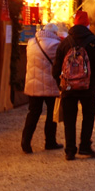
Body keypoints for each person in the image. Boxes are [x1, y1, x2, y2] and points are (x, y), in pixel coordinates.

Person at [51, 11, 95, 160]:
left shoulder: (65, 42)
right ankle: (85, 146)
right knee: (88, 115)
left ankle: (70, 150)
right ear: (87, 24)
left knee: (69, 118)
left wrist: (60, 83)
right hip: (87, 87)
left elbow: (56, 67)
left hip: (68, 87)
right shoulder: (93, 41)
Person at [21, 22, 63, 154]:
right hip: (50, 84)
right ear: (54, 33)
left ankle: (26, 142)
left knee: (33, 113)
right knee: (51, 114)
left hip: (33, 84)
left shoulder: (31, 42)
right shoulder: (55, 45)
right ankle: (50, 141)